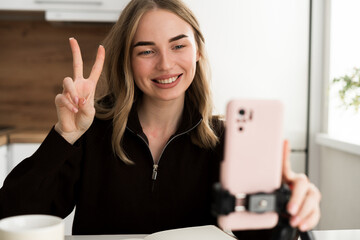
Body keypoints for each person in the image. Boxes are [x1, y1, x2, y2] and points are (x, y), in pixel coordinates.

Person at [0, 0, 321, 237]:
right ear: (128, 59)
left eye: (178, 45)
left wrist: (289, 209)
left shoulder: (228, 142)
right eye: (146, 51)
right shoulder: (91, 133)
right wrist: (64, 136)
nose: (166, 64)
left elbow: (268, 235)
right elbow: (12, 218)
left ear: (197, 50)